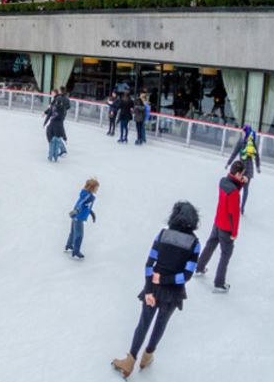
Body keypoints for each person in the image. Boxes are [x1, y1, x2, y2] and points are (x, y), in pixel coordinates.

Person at [110, 201, 201, 377]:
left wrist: (150, 289)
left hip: (154, 287)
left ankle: (129, 362)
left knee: (143, 323)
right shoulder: (194, 244)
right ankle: (147, 358)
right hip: (173, 293)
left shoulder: (162, 235)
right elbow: (186, 275)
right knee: (161, 324)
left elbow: (149, 264)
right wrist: (167, 279)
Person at [195, 161, 247, 293]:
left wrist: (241, 182)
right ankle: (219, 283)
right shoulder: (234, 192)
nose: (243, 176)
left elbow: (232, 188)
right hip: (227, 228)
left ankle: (199, 267)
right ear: (237, 173)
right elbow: (234, 214)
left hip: (217, 222)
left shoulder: (223, 181)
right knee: (225, 254)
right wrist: (234, 232)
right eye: (242, 174)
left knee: (210, 245)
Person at [225, 125, 260, 214]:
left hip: (248, 169)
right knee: (236, 188)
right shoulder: (240, 142)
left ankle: (242, 207)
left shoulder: (252, 143)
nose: (242, 133)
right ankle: (236, 204)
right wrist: (228, 163)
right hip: (240, 169)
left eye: (243, 132)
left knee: (245, 188)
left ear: (247, 132)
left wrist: (258, 166)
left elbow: (256, 156)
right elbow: (234, 153)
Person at [65, 179, 99, 259]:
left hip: (76, 216)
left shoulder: (86, 194)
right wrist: (76, 211)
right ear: (92, 188)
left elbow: (86, 206)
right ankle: (76, 252)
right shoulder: (88, 196)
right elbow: (81, 203)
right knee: (79, 235)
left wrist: (91, 213)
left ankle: (69, 246)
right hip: (78, 217)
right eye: (96, 188)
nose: (97, 189)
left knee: (73, 232)